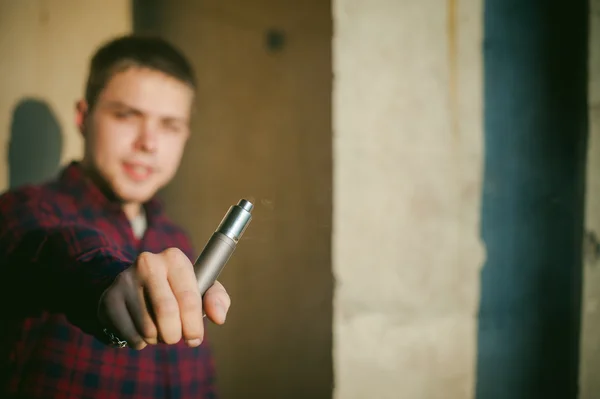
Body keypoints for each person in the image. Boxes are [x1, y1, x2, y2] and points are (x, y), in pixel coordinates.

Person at [0, 35, 232, 398]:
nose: (149, 143)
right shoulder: (21, 210)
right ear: (83, 117)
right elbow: (50, 251)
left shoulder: (178, 241)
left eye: (169, 125)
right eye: (127, 115)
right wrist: (106, 279)